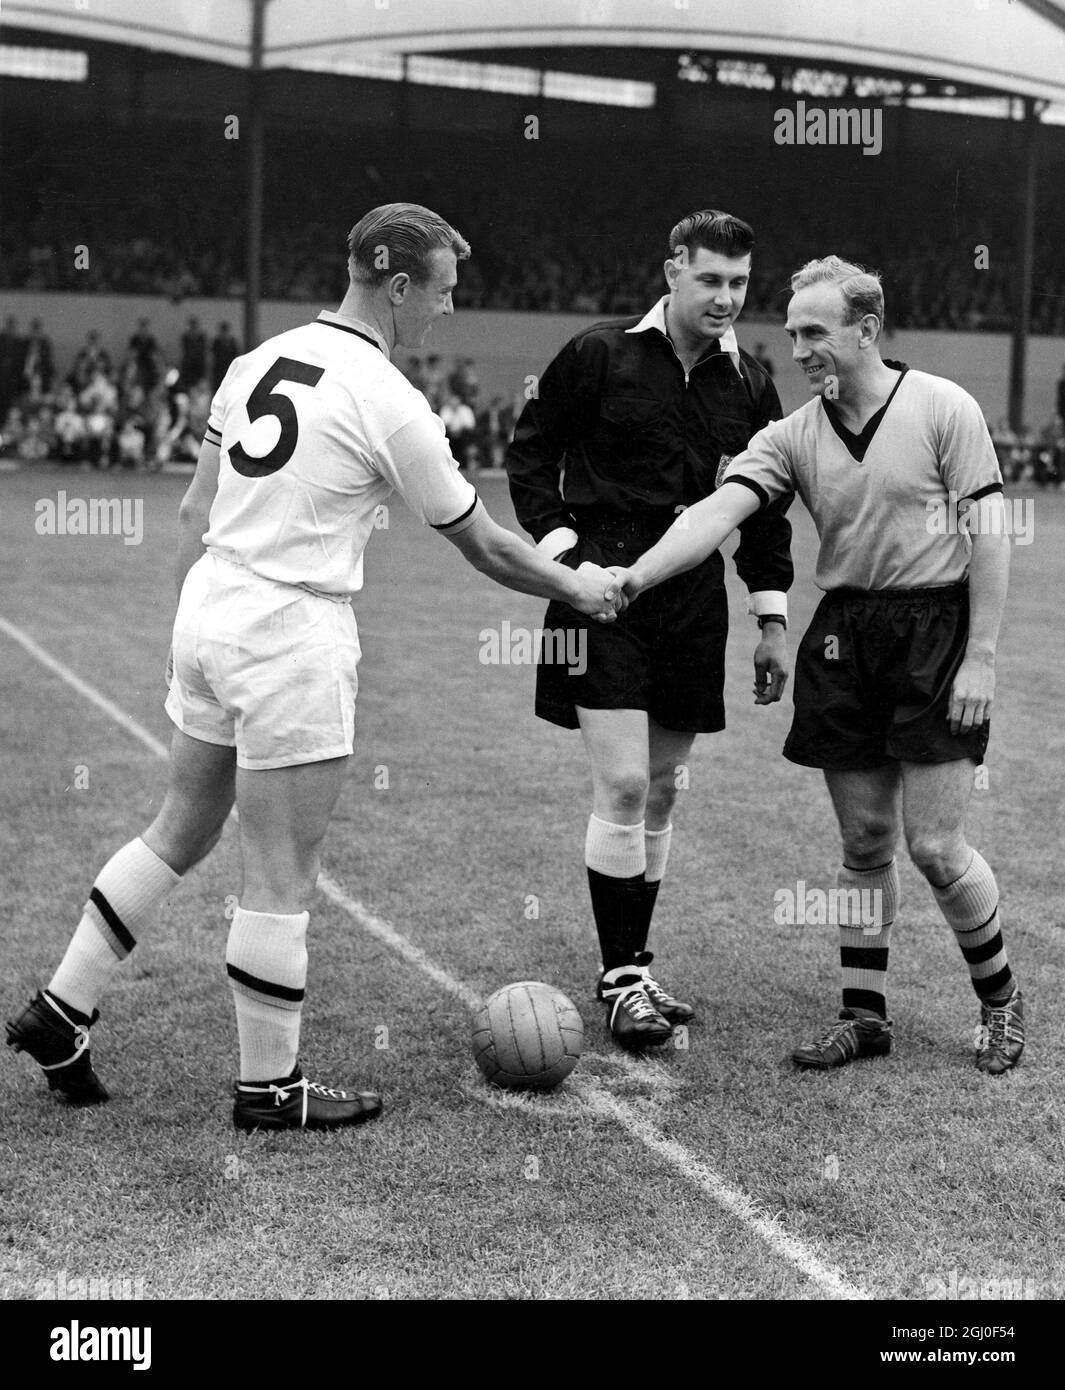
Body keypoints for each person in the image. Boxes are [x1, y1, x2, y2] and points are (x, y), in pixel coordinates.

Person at [6, 203, 621, 1133]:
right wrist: (581, 589)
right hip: (292, 630)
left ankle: (60, 1010)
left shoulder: (258, 359)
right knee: (281, 868)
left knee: (179, 827)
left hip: (212, 606)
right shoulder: (387, 396)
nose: (446, 314)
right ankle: (269, 1087)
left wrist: (188, 642)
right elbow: (484, 544)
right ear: (398, 285)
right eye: (444, 294)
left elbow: (193, 511)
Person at [613, 255, 1023, 1076]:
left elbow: (989, 531)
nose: (797, 349)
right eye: (791, 332)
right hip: (844, 637)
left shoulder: (944, 407)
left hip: (936, 631)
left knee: (934, 845)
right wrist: (630, 577)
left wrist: (978, 656)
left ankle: (1000, 1000)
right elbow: (714, 515)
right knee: (863, 838)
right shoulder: (791, 435)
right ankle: (862, 1017)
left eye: (815, 332)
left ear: (865, 330)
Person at [505, 209, 793, 1049]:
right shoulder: (598, 353)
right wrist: (566, 560)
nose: (725, 298)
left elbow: (763, 512)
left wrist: (770, 618)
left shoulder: (750, 383)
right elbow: (529, 457)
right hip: (601, 588)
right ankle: (621, 978)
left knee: (664, 788)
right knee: (626, 783)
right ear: (671, 269)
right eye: (710, 279)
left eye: (739, 283)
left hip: (691, 597)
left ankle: (635, 962)